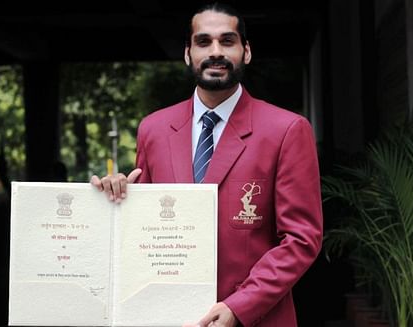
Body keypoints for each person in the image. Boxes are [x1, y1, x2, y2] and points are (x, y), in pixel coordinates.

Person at [91, 2, 323, 326]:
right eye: (203, 42)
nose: (216, 51)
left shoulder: (286, 130)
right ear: (188, 53)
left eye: (227, 41)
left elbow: (301, 239)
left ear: (247, 52)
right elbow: (142, 235)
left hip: (257, 318)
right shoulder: (154, 129)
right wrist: (116, 200)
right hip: (169, 317)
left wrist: (239, 306)